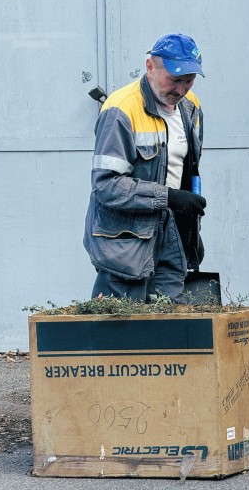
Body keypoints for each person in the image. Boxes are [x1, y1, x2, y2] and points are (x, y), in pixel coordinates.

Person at [83, 33, 207, 302]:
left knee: (173, 324)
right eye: (175, 79)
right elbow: (106, 185)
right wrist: (168, 197)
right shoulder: (121, 110)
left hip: (172, 233)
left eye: (189, 80)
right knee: (122, 332)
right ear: (150, 66)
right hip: (126, 243)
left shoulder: (191, 106)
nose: (182, 89)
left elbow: (188, 168)